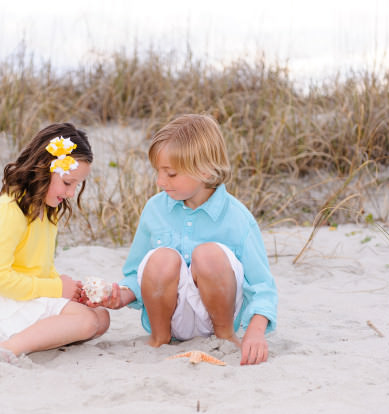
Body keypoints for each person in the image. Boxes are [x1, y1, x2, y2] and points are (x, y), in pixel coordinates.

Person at [98, 114, 278, 366]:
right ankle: (160, 338)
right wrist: (121, 296)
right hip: (170, 317)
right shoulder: (154, 209)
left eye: (170, 174)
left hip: (220, 314)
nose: (160, 182)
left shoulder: (237, 217)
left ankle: (225, 336)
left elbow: (262, 287)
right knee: (162, 257)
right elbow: (135, 273)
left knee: (209, 255)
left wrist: (256, 333)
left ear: (204, 171)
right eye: (158, 172)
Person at [0, 123, 109, 364]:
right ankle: (7, 346)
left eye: (77, 185)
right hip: (3, 298)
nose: (71, 194)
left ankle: (0, 337)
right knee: (88, 321)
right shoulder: (9, 210)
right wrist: (56, 289)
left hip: (29, 293)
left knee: (101, 318)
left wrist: (69, 291)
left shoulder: (45, 211)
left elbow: (41, 268)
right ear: (44, 168)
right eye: (68, 183)